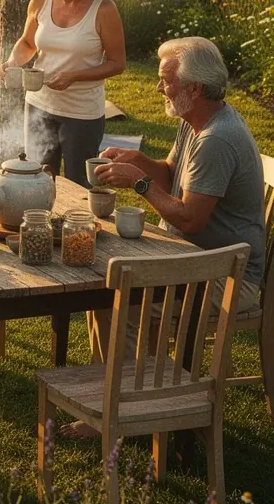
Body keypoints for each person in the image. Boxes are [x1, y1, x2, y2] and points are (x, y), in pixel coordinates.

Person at [64, 37, 266, 440]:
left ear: (193, 88)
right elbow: (172, 174)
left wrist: (138, 183)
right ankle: (121, 398)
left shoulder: (216, 140)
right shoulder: (196, 121)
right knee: (108, 289)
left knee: (124, 299)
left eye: (165, 81)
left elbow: (189, 219)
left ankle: (131, 408)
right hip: (196, 258)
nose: (159, 88)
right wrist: (138, 160)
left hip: (227, 275)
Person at [3, 0, 126, 187]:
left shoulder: (104, 10)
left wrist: (75, 76)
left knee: (78, 184)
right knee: (38, 180)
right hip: (38, 104)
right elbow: (28, 44)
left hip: (81, 112)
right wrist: (13, 61)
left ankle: (77, 227)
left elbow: (117, 63)